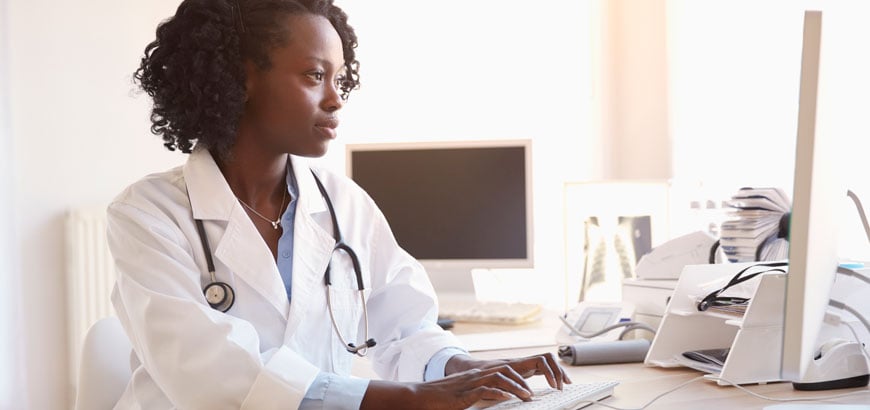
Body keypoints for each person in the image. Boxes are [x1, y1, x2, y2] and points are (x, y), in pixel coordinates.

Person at [109, 0, 571, 408]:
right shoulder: (148, 214)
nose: (335, 100)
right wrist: (414, 398)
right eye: (315, 76)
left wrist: (462, 370)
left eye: (339, 79)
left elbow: (406, 326)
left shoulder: (342, 203)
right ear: (242, 76)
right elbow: (213, 375)